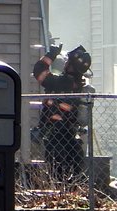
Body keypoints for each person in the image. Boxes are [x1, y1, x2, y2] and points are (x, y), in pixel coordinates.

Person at [32, 43, 91, 181]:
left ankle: (57, 184)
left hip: (53, 131)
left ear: (70, 65)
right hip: (71, 132)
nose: (65, 63)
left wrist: (52, 53)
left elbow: (39, 70)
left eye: (67, 61)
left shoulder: (59, 82)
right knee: (73, 165)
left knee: (55, 168)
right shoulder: (80, 86)